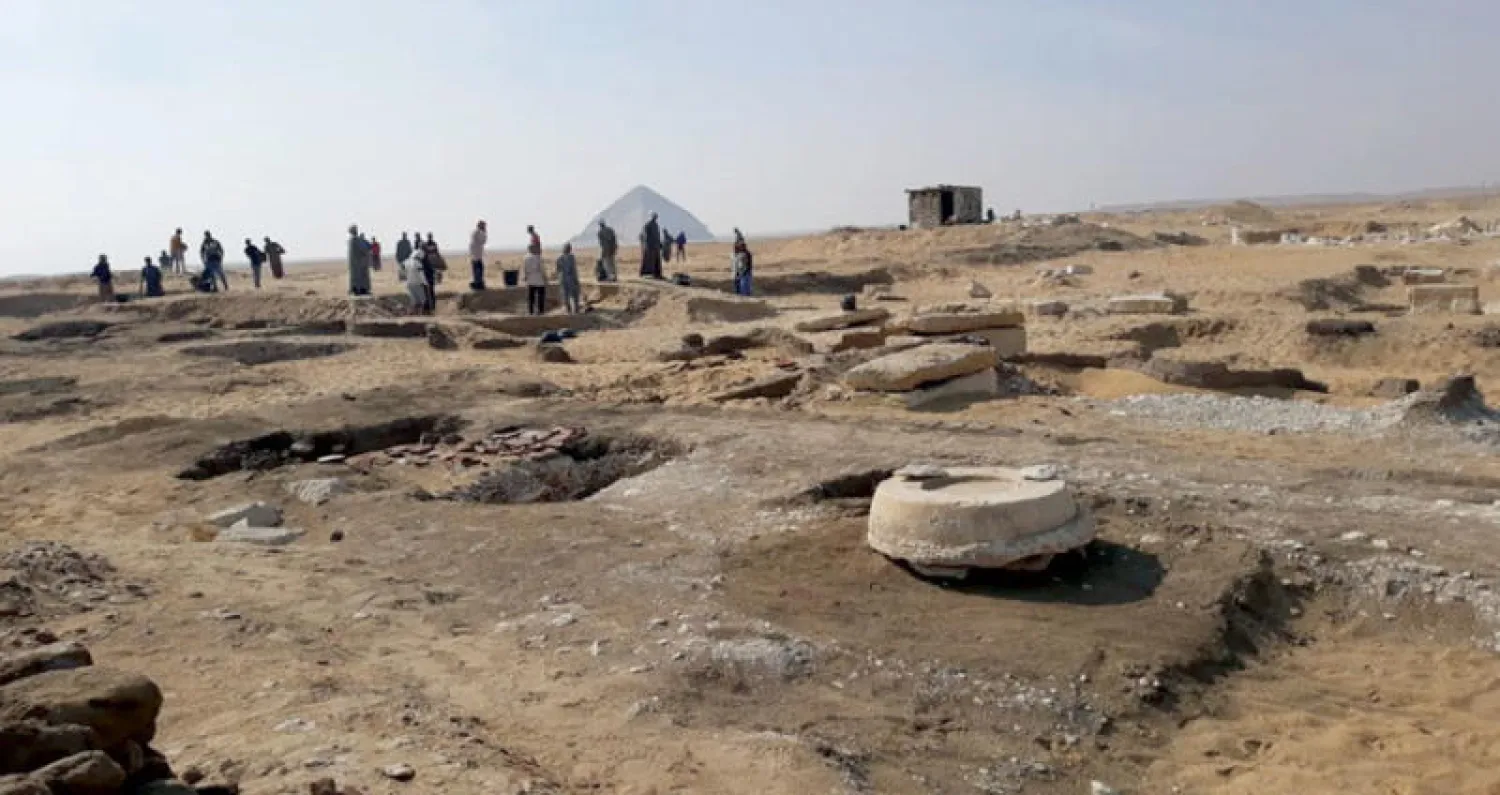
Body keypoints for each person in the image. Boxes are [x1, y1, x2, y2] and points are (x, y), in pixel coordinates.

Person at [404, 241, 430, 315]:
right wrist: (426, 283)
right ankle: (420, 314)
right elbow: (421, 275)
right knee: (423, 300)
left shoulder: (407, 262)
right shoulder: (418, 263)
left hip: (409, 283)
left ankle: (411, 313)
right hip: (417, 283)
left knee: (414, 301)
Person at [556, 243, 582, 314]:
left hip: (563, 278)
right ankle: (574, 309)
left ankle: (570, 310)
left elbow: (558, 270)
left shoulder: (560, 258)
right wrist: (576, 280)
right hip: (569, 278)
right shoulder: (571, 258)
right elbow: (573, 270)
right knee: (573, 294)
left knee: (566, 294)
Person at [347, 225, 372, 296]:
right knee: (360, 277)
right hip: (359, 262)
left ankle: (357, 290)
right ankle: (359, 290)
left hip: (356, 263)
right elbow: (364, 249)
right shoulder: (356, 240)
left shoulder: (353, 240)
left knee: (356, 277)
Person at [421, 233, 443, 313]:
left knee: (428, 291)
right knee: (428, 291)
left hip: (427, 275)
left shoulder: (426, 256)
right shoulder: (424, 257)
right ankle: (429, 307)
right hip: (427, 275)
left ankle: (430, 307)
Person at [522, 247, 547, 315]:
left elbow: (524, 269)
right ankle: (541, 311)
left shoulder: (526, 258)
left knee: (531, 297)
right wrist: (545, 278)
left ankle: (530, 311)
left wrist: (525, 277)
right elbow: (542, 269)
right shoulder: (539, 258)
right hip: (539, 280)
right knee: (540, 297)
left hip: (530, 280)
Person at [640, 212, 663, 279]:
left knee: (657, 260)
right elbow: (645, 236)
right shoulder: (648, 225)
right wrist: (648, 244)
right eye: (654, 216)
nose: (655, 218)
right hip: (650, 246)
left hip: (656, 246)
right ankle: (648, 273)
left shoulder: (656, 225)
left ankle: (657, 274)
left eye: (656, 216)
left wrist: (660, 243)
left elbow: (657, 236)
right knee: (649, 260)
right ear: (652, 217)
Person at [469, 220, 488, 291]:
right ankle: (477, 284)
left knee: (478, 270)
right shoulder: (478, 232)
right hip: (476, 256)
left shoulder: (476, 232)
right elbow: (483, 240)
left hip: (476, 255)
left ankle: (478, 283)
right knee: (478, 270)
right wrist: (485, 232)